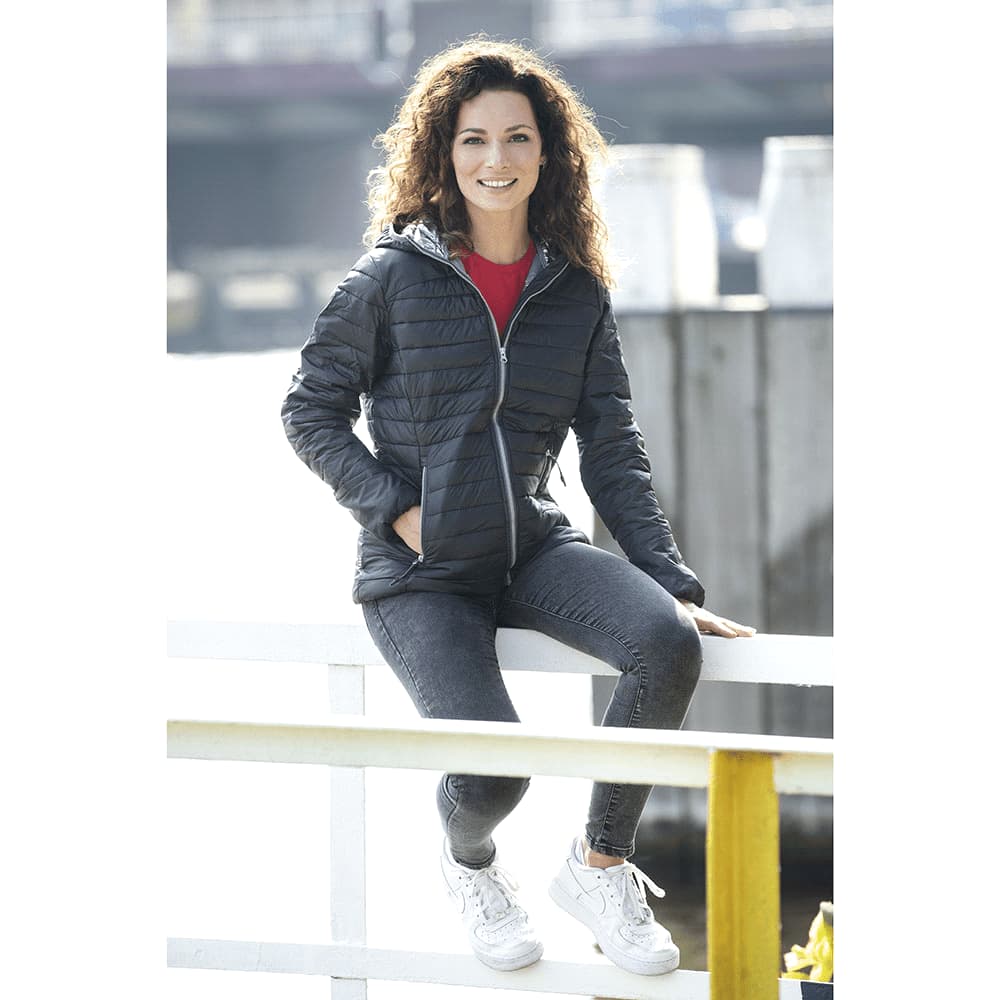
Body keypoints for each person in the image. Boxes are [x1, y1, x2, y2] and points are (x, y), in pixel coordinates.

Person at [281, 36, 755, 977]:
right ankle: (471, 866)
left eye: (516, 138)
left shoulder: (574, 291)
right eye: (473, 140)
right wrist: (394, 508)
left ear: (548, 153)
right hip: (420, 574)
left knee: (666, 643)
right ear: (443, 153)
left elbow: (611, 448)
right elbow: (310, 410)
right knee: (495, 765)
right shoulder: (390, 278)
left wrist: (665, 580)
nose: (495, 159)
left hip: (531, 549)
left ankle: (599, 865)